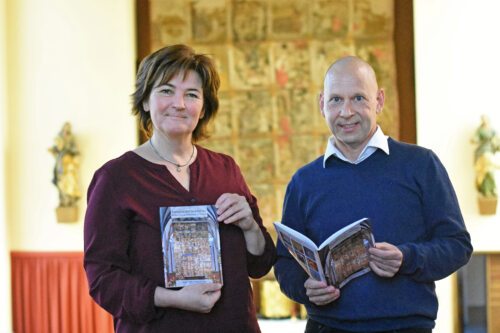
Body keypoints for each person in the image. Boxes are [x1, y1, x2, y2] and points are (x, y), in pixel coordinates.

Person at [83, 44, 276, 333]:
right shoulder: (115, 179)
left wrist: (249, 225)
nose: (180, 103)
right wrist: (172, 299)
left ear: (203, 108)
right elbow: (103, 279)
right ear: (146, 101)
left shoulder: (225, 169)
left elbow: (259, 265)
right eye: (166, 91)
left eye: (192, 94)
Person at [274, 56, 472, 333]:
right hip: (326, 327)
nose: (346, 112)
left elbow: (457, 246)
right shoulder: (304, 181)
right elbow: (285, 263)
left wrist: (407, 258)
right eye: (335, 100)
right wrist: (305, 289)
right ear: (321, 104)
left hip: (407, 328)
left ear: (379, 101)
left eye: (358, 98)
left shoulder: (421, 164)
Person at [48, 122, 81, 207]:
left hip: (68, 165)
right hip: (61, 166)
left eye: (68, 129)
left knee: (70, 184)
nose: (66, 131)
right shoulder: (59, 139)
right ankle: (63, 200)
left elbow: (75, 151)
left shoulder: (71, 140)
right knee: (61, 184)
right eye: (65, 129)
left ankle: (69, 200)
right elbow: (57, 148)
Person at [471, 115, 499, 197]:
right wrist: (474, 140)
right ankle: (486, 190)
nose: (484, 121)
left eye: (486, 119)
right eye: (483, 119)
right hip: (482, 152)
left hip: (490, 152)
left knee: (490, 171)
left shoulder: (492, 130)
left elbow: (497, 140)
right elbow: (475, 138)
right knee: (484, 171)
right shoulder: (480, 130)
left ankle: (491, 189)